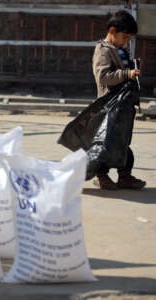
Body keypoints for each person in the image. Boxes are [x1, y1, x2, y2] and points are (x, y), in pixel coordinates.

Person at [91, 10, 146, 190]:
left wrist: (132, 67)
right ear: (112, 31)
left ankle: (125, 176)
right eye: (125, 37)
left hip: (123, 107)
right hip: (109, 107)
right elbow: (104, 77)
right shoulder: (103, 50)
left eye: (129, 39)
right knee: (107, 143)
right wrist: (127, 73)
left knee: (122, 142)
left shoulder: (120, 49)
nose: (126, 42)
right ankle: (101, 175)